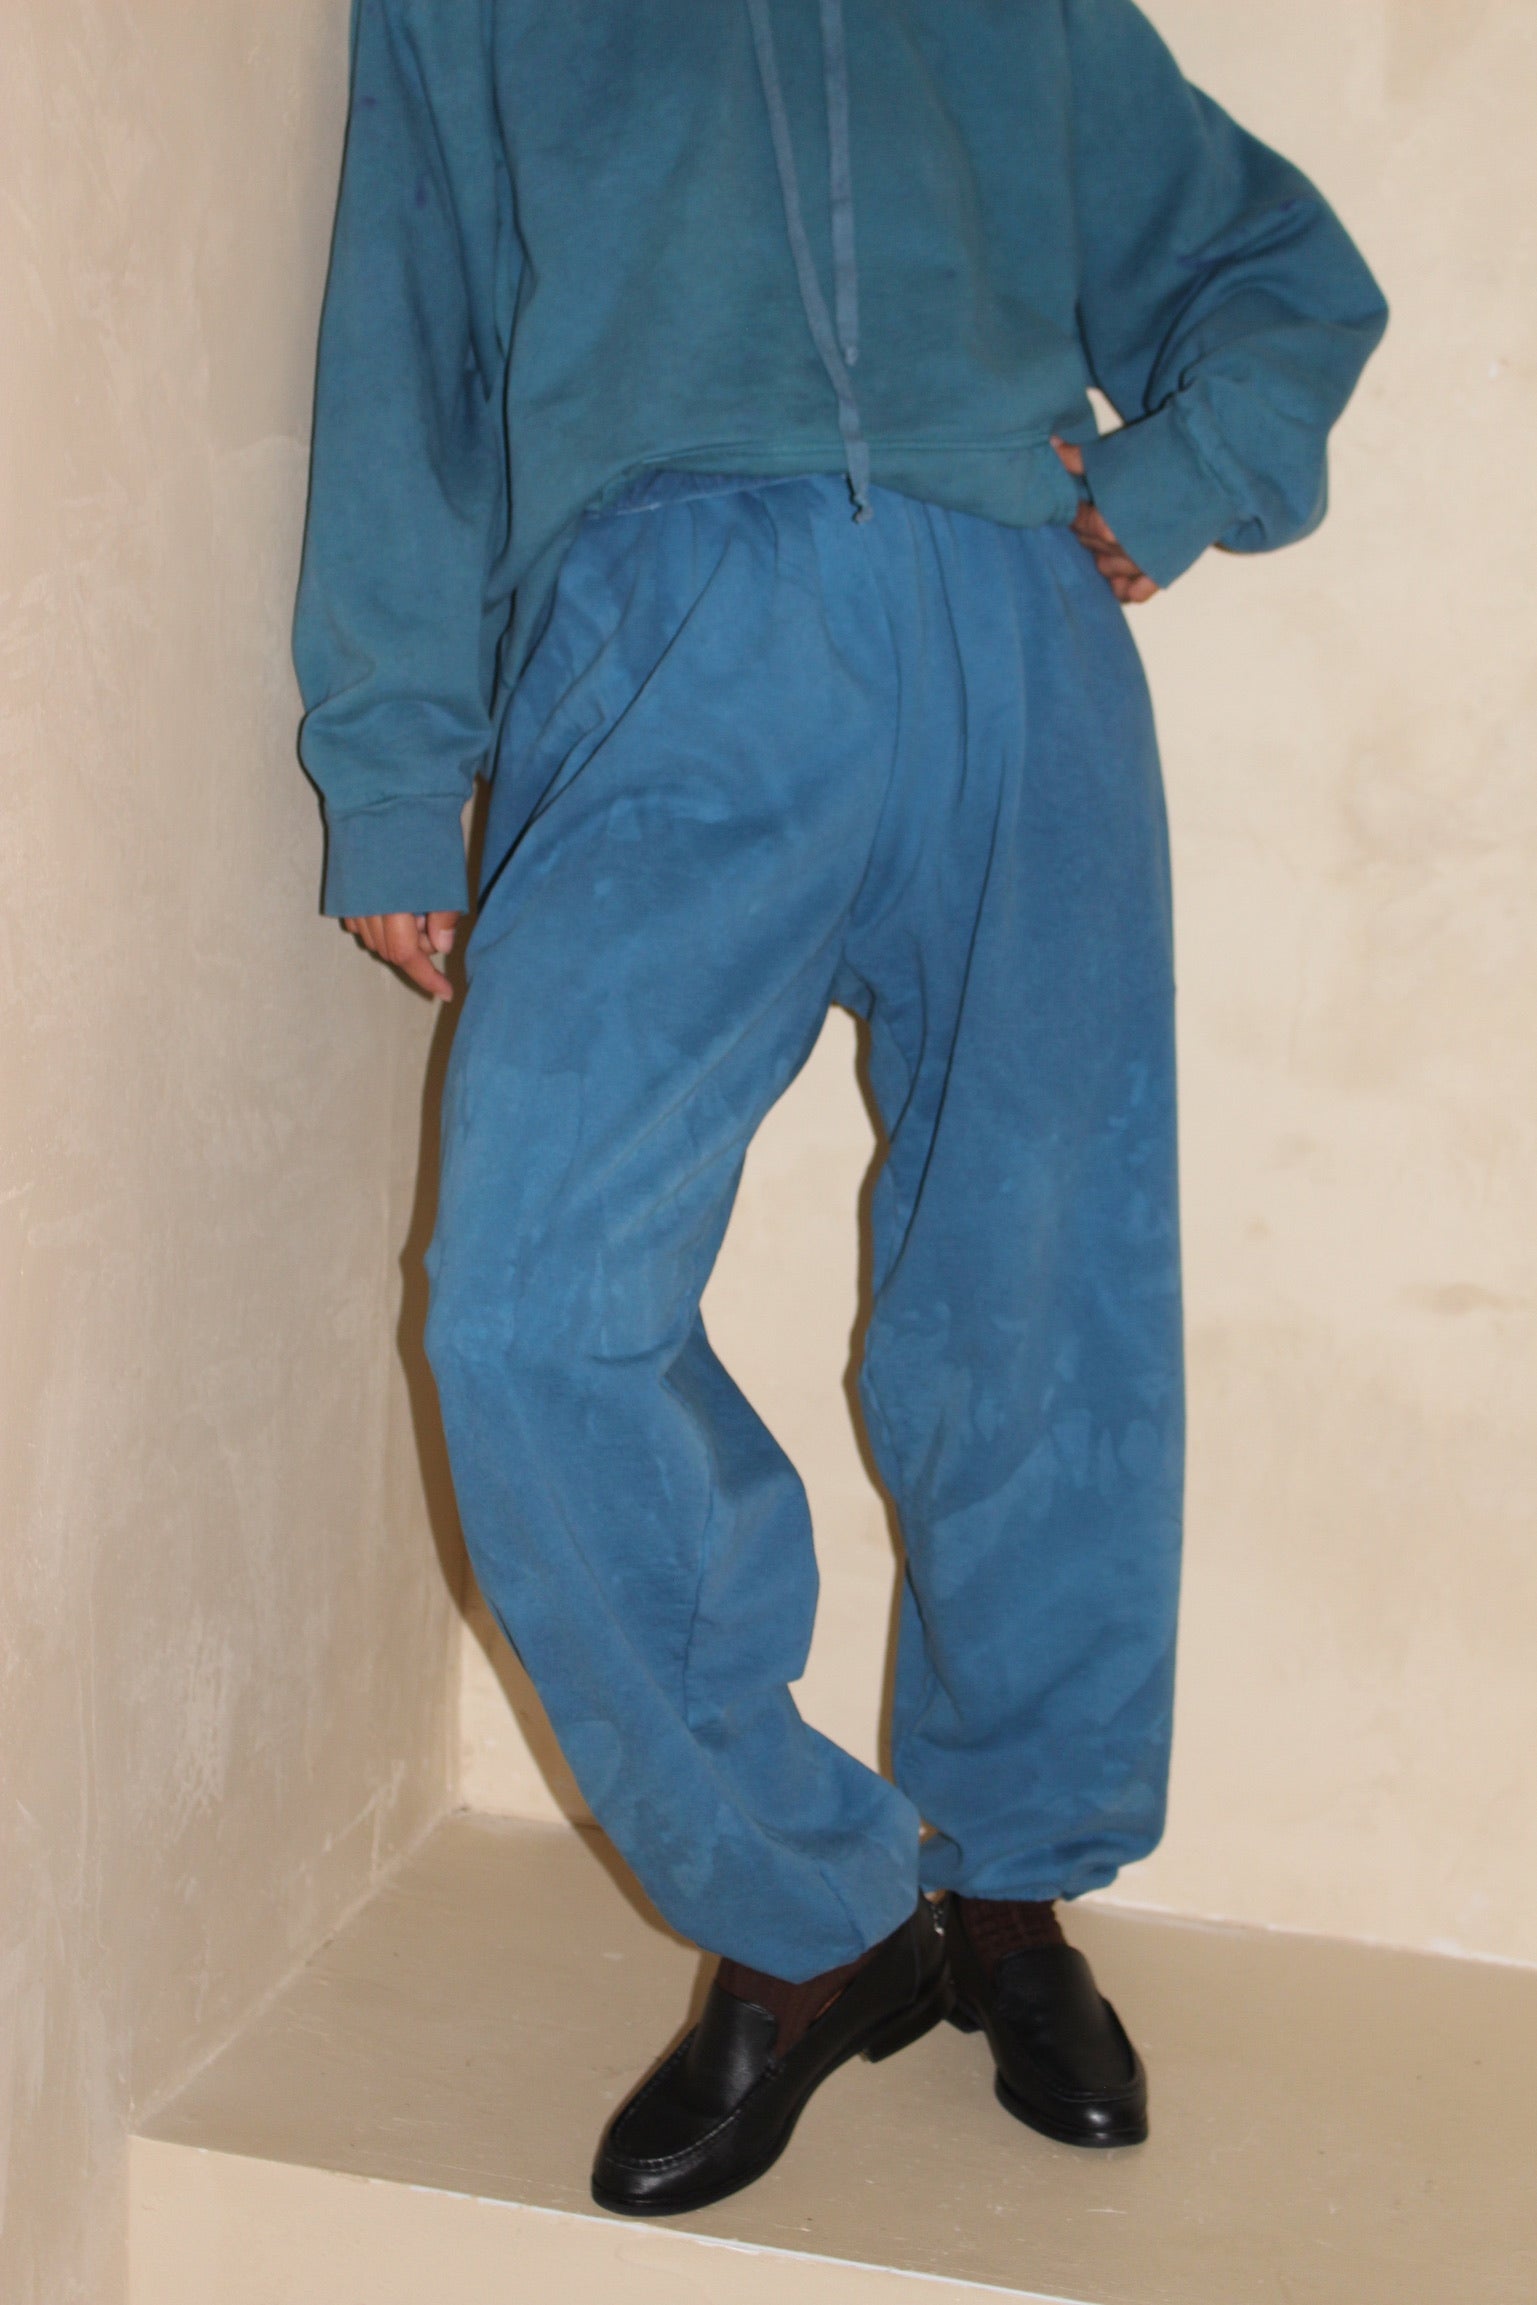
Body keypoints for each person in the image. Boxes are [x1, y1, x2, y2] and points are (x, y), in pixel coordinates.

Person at [294, 0, 1386, 2218]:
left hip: (1010, 615)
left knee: (1041, 1302)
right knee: (525, 1309)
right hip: (653, 624)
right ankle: (809, 1907)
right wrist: (397, 762)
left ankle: (1011, 1880)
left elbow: (1273, 269)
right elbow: (404, 349)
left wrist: (1180, 472)